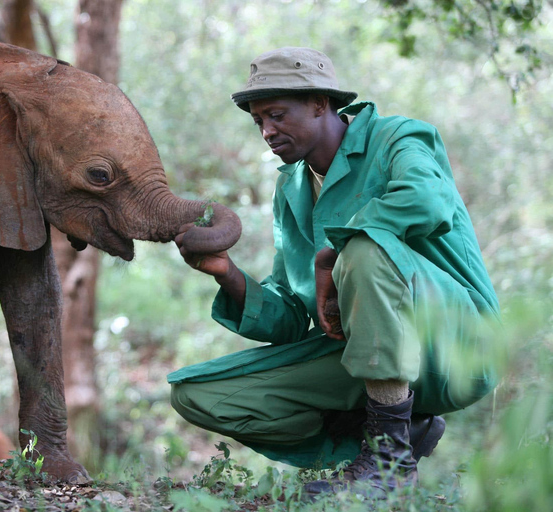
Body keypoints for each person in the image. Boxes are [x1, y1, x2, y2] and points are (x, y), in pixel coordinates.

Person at [170, 47, 500, 499]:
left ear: (321, 103)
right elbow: (290, 314)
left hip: (456, 343)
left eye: (277, 114)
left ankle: (389, 461)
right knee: (198, 395)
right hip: (369, 359)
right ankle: (382, 443)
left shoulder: (399, 138)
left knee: (364, 250)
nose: (267, 131)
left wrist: (333, 251)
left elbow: (428, 201)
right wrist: (227, 273)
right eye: (257, 120)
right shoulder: (292, 188)